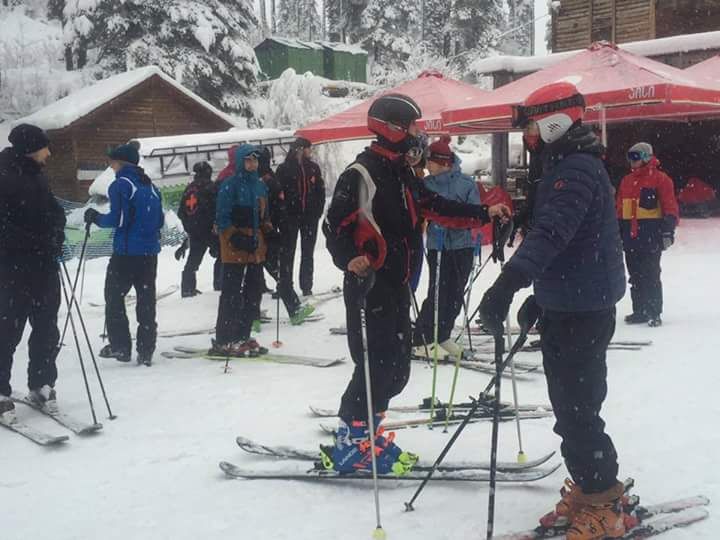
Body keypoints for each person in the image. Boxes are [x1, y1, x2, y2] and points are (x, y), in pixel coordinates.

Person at [321, 94, 508, 475]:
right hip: (370, 284)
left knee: (396, 370)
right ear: (391, 129)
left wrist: (482, 213)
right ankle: (351, 444)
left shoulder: (405, 174)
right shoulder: (361, 174)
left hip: (399, 284)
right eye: (411, 128)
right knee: (373, 367)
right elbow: (334, 225)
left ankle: (366, 436)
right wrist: (349, 258)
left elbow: (436, 207)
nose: (417, 135)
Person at [478, 82, 628, 540]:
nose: (527, 135)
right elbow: (560, 240)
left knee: (579, 409)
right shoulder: (562, 165)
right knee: (570, 407)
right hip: (570, 301)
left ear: (554, 122)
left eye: (531, 125)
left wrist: (507, 285)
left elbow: (552, 236)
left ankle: (605, 500)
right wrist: (542, 298)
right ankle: (589, 486)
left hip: (584, 307)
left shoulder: (574, 170)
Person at [0, 124, 66, 418]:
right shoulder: (3, 175)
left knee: (46, 328)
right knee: (7, 331)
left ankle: (41, 383)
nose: (49, 153)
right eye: (44, 147)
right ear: (29, 148)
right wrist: (37, 242)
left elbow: (54, 211)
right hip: (12, 268)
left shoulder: (37, 174)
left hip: (44, 268)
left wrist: (57, 233)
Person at [84, 143, 164, 367]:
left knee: (114, 297)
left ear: (119, 162)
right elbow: (160, 220)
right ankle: (146, 350)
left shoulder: (120, 184)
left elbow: (118, 220)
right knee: (146, 300)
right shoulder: (150, 185)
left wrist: (96, 217)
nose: (110, 165)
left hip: (126, 253)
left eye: (111, 161)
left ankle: (120, 347)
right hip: (149, 253)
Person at [412, 135, 481, 356]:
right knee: (438, 293)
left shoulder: (466, 183)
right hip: (437, 246)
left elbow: (475, 214)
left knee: (455, 294)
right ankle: (422, 338)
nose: (427, 165)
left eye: (430, 161)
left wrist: (454, 222)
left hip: (462, 246)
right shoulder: (425, 184)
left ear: (444, 163)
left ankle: (443, 334)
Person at [210, 144, 272, 357]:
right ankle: (225, 338)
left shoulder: (260, 186)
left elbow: (264, 217)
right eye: (248, 160)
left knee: (254, 293)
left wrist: (271, 234)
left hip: (255, 247)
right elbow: (222, 217)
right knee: (231, 294)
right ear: (239, 162)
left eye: (254, 160)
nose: (252, 164)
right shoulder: (230, 185)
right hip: (234, 247)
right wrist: (235, 237)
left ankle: (243, 334)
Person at [617, 143, 679, 327]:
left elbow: (670, 206)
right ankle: (640, 311)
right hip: (630, 235)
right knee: (635, 275)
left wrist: (667, 230)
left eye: (635, 156)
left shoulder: (661, 179)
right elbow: (619, 209)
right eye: (630, 157)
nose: (632, 161)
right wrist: (618, 231)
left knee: (651, 274)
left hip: (651, 235)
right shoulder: (626, 181)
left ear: (646, 157)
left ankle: (654, 311)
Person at [257, 147, 314, 325]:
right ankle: (294, 310)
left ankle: (251, 315)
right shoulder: (268, 181)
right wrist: (280, 229)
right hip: (267, 233)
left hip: (260, 233)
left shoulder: (257, 180)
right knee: (281, 273)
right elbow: (278, 208)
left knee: (258, 275)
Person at [276, 137, 325, 297]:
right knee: (287, 252)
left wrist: (317, 211)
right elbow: (278, 193)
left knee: (307, 252)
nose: (310, 151)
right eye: (308, 148)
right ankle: (285, 285)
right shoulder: (284, 169)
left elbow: (320, 191)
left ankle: (306, 285)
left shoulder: (313, 168)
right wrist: (283, 213)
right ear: (300, 149)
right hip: (290, 217)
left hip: (310, 217)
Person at [177, 161, 220, 298]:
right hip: (210, 229)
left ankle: (187, 288)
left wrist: (189, 226)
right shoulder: (211, 187)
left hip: (194, 230)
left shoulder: (189, 188)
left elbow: (181, 212)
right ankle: (220, 284)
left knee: (193, 260)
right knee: (222, 255)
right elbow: (217, 207)